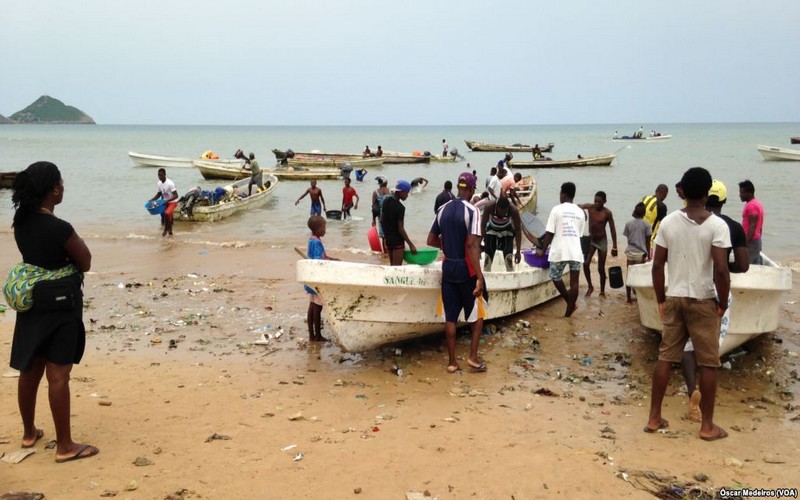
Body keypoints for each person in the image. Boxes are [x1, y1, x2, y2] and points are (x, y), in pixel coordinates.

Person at [9, 161, 99, 463]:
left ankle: (28, 432)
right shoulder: (59, 228)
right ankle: (65, 446)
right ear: (54, 190)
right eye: (61, 182)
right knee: (58, 375)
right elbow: (85, 261)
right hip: (61, 305)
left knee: (30, 368)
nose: (64, 186)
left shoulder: (20, 221)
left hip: (33, 302)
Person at [646, 167, 730, 441]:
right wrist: (723, 302)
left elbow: (657, 265)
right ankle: (707, 426)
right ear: (707, 194)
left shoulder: (669, 222)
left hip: (675, 297)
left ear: (682, 192)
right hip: (703, 300)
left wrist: (660, 298)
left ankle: (654, 418)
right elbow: (720, 269)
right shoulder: (717, 225)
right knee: (708, 364)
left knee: (665, 358)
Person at [681, 180, 749, 422]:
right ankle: (707, 417)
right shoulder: (731, 227)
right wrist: (723, 269)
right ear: (724, 200)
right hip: (716, 291)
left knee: (688, 346)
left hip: (688, 287)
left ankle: (691, 392)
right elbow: (742, 265)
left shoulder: (686, 220)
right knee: (710, 352)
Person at [426, 172, 487, 374]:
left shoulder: (442, 209)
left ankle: (452, 363)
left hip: (448, 267)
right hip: (465, 268)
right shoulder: (473, 211)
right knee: (477, 315)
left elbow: (431, 240)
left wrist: (448, 246)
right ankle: (472, 357)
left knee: (450, 317)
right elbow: (471, 245)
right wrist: (479, 277)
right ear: (470, 190)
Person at [536, 182, 585, 317]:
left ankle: (569, 303)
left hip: (560, 250)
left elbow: (550, 233)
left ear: (563, 195)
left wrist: (542, 250)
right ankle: (569, 311)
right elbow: (579, 234)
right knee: (574, 282)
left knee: (556, 277)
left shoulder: (556, 209)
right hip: (575, 251)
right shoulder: (581, 212)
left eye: (560, 193)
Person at [304, 216, 339, 342]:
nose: (325, 230)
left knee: (312, 305)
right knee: (318, 308)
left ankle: (311, 335)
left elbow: (319, 257)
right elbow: (319, 261)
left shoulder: (312, 240)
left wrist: (333, 259)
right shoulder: (317, 242)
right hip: (317, 279)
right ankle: (318, 335)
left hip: (310, 277)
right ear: (318, 229)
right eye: (324, 227)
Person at [577, 191, 618, 297]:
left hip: (602, 241)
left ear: (604, 201)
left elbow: (612, 229)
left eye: (599, 201)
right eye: (595, 201)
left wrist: (615, 246)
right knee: (586, 263)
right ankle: (590, 286)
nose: (597, 203)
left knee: (601, 268)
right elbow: (578, 206)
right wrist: (582, 213)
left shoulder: (607, 213)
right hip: (591, 241)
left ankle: (602, 291)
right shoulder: (590, 207)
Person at [481, 196, 522, 272]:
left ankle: (510, 276)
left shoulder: (513, 210)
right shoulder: (489, 206)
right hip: (492, 230)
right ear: (497, 207)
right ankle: (486, 277)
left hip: (507, 231)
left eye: (505, 212)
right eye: (501, 212)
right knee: (487, 258)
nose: (503, 214)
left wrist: (518, 251)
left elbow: (518, 230)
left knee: (508, 259)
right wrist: (481, 241)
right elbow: (483, 224)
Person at [380, 180, 417, 265]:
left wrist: (386, 236)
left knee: (392, 266)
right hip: (397, 242)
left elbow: (382, 220)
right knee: (397, 268)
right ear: (401, 192)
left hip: (388, 240)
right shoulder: (400, 208)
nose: (407, 196)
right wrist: (411, 245)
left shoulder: (386, 201)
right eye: (406, 193)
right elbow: (401, 229)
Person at [622, 202, 652, 303]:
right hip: (640, 253)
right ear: (644, 213)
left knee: (629, 275)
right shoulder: (647, 225)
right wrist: (649, 255)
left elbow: (628, 238)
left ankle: (628, 298)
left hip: (630, 252)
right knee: (639, 276)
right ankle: (639, 298)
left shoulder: (628, 223)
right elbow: (648, 242)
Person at [738, 179, 764, 265]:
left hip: (751, 241)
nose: (740, 195)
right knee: (756, 264)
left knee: (746, 265)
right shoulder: (756, 203)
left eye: (742, 193)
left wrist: (745, 244)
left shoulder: (752, 206)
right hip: (756, 239)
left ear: (749, 193)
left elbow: (753, 226)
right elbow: (759, 227)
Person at [149, 168, 178, 237]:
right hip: (164, 202)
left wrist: (168, 200)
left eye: (161, 175)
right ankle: (170, 233)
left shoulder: (170, 183)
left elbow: (176, 195)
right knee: (165, 215)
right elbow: (159, 194)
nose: (159, 177)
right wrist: (152, 200)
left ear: (165, 175)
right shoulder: (159, 183)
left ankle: (165, 229)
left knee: (167, 213)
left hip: (173, 202)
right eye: (158, 175)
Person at [641, 184, 669, 256]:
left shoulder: (645, 198)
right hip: (650, 241)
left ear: (656, 191)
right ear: (665, 194)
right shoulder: (661, 206)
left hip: (637, 238)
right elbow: (663, 225)